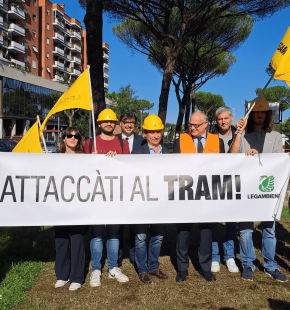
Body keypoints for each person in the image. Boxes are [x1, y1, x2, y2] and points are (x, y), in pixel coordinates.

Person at [230, 97, 288, 282]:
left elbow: (279, 163)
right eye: (257, 112)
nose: (260, 115)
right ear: (251, 114)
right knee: (246, 229)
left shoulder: (276, 136)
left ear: (268, 115)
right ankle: (248, 263)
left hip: (268, 189)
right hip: (247, 187)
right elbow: (232, 157)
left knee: (269, 230)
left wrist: (260, 156)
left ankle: (270, 265)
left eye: (263, 112)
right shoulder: (242, 134)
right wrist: (240, 137)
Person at [174, 110, 225, 283]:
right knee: (183, 232)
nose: (192, 128)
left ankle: (206, 267)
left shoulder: (217, 141)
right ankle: (182, 269)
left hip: (207, 194)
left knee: (206, 233)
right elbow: (173, 167)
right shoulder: (179, 140)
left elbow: (223, 167)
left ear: (205, 124)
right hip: (186, 193)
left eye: (196, 125)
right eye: (190, 124)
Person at [84, 109, 130, 287]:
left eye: (112, 122)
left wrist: (117, 159)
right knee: (96, 234)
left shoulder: (121, 143)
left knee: (113, 233)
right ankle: (96, 269)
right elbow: (81, 170)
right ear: (99, 123)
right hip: (96, 195)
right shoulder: (90, 143)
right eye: (105, 121)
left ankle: (113, 267)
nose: (109, 124)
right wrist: (91, 160)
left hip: (115, 194)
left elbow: (128, 166)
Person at [131, 114, 169, 284]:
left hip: (160, 202)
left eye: (158, 131)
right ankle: (142, 269)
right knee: (140, 237)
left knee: (158, 236)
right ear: (145, 134)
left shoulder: (167, 152)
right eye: (151, 132)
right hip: (141, 201)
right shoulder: (137, 152)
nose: (155, 135)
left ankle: (153, 266)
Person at [54, 127, 86, 291]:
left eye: (76, 136)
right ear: (64, 139)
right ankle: (62, 275)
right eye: (69, 136)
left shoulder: (86, 158)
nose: (73, 138)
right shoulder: (54, 158)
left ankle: (77, 276)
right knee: (60, 239)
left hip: (78, 206)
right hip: (60, 205)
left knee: (77, 239)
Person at [210, 107, 239, 273]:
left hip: (234, 183)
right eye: (220, 119)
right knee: (213, 220)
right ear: (216, 121)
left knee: (231, 222)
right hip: (214, 184)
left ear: (232, 118)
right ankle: (214, 256)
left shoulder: (240, 135)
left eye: (226, 118)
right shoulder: (210, 137)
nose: (223, 121)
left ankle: (229, 256)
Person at [116, 111, 146, 267]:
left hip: (137, 188)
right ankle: (119, 255)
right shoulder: (114, 141)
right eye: (126, 122)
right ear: (120, 124)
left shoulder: (142, 141)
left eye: (132, 122)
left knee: (136, 224)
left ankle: (135, 256)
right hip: (119, 188)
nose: (129, 125)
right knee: (119, 224)